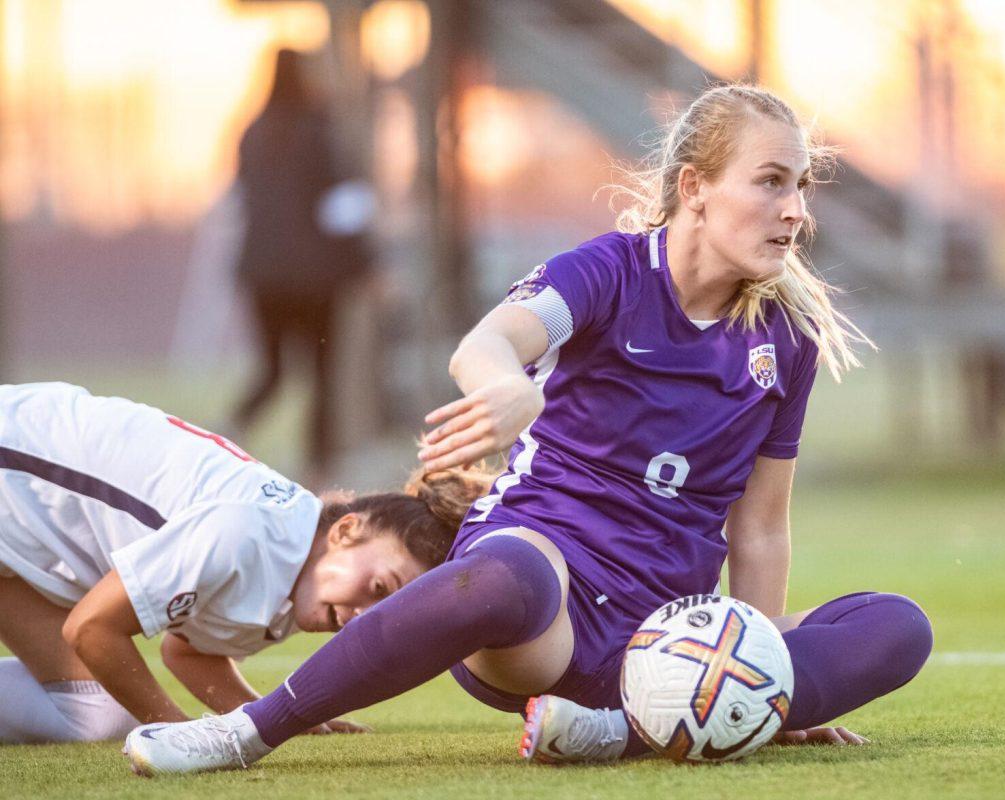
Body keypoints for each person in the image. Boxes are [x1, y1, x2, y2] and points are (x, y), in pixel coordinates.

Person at [123, 84, 934, 775]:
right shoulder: (611, 272)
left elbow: (758, 528)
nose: (794, 211)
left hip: (664, 639)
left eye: (800, 187)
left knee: (897, 626)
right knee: (505, 576)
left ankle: (619, 729)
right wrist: (506, 391)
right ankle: (242, 735)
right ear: (695, 187)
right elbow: (489, 342)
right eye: (769, 182)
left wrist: (763, 678)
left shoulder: (785, 340)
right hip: (542, 600)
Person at [0, 382, 489, 744]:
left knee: (94, 715)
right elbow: (91, 626)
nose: (364, 616)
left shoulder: (304, 568)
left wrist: (268, 714)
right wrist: (179, 735)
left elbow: (187, 650)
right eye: (380, 588)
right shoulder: (249, 536)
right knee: (101, 713)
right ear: (345, 531)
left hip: (16, 523)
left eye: (385, 610)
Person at [230, 48, 372, 485]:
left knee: (272, 370)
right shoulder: (320, 130)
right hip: (315, 279)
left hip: (261, 276)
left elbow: (243, 200)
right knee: (322, 376)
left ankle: (228, 432)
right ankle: (318, 468)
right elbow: (345, 209)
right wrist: (365, 265)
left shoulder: (251, 133)